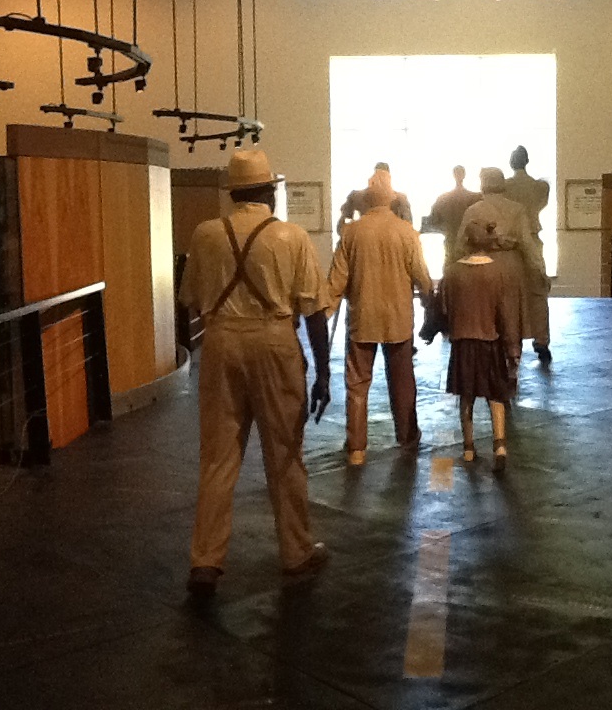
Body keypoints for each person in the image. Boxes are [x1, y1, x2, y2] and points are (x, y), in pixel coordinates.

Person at [179, 149, 332, 596]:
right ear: (269, 192)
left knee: (218, 456)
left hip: (221, 341)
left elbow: (191, 300)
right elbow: (314, 310)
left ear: (233, 194)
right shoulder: (291, 236)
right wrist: (323, 372)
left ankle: (206, 560)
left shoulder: (205, 234)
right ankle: (296, 551)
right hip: (274, 340)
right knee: (284, 450)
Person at [327, 169, 433, 467]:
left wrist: (320, 315)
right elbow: (422, 276)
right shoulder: (406, 232)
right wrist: (432, 305)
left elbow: (336, 282)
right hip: (398, 319)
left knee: (357, 383)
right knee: (402, 382)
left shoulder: (352, 233)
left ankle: (357, 447)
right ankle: (408, 437)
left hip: (362, 319)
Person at [436, 219, 519, 472]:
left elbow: (443, 308)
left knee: (466, 397)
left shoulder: (452, 272)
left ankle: (469, 448)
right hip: (490, 343)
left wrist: (430, 331)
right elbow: (506, 315)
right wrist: (512, 350)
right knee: (496, 396)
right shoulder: (498, 272)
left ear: (466, 241)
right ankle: (500, 445)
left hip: (462, 344)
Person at [456, 167, 548, 366]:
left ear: (483, 184)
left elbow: (460, 245)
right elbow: (527, 243)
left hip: (481, 265)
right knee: (511, 313)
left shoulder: (473, 210)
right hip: (511, 264)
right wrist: (539, 269)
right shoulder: (517, 209)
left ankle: (487, 360)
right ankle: (512, 356)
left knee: (484, 313)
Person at [504, 145, 553, 364]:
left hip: (511, 246)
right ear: (527, 161)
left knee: (511, 296)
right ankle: (541, 340)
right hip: (533, 240)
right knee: (538, 294)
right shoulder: (539, 187)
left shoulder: (505, 187)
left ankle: (513, 341)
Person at [426, 165, 481, 271]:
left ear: (453, 175)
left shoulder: (443, 199)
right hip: (468, 246)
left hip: (450, 244)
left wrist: (447, 228)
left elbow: (433, 222)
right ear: (464, 175)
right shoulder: (474, 198)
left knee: (450, 273)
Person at [336, 161, 413, 233]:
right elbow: (408, 226)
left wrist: (354, 234)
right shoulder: (400, 199)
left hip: (365, 236)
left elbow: (341, 227)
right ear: (389, 177)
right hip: (391, 238)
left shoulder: (356, 196)